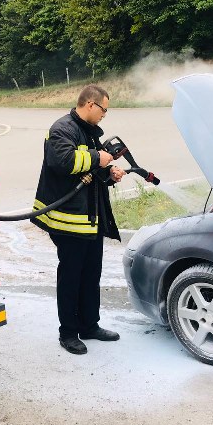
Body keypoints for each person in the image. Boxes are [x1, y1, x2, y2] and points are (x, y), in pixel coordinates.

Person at [31, 85, 126, 355]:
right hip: (68, 221)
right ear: (91, 105)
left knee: (91, 274)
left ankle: (89, 325)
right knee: (71, 276)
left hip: (89, 219)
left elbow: (92, 172)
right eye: (104, 109)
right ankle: (68, 332)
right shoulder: (61, 129)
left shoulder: (89, 133)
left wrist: (110, 173)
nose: (105, 115)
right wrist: (99, 157)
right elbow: (63, 162)